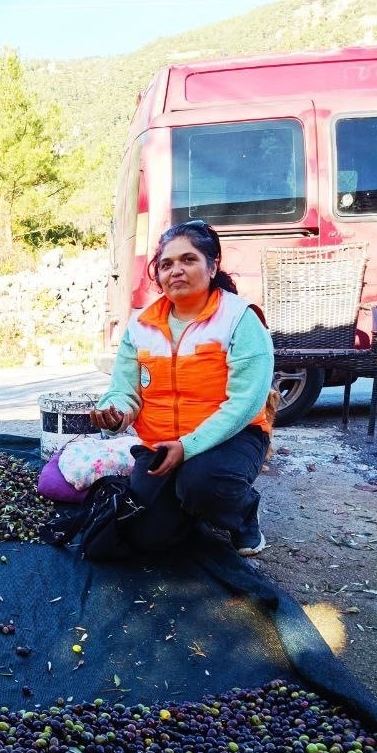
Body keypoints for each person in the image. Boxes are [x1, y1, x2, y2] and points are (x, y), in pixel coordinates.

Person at [90, 219, 275, 556]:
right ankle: (190, 508)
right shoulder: (141, 325)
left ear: (212, 265)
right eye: (166, 264)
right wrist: (116, 412)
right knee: (145, 536)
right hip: (160, 444)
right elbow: (124, 390)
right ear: (157, 275)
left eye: (188, 259)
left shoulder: (239, 319)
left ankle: (243, 513)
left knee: (202, 484)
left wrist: (187, 447)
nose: (176, 270)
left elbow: (245, 403)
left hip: (232, 438)